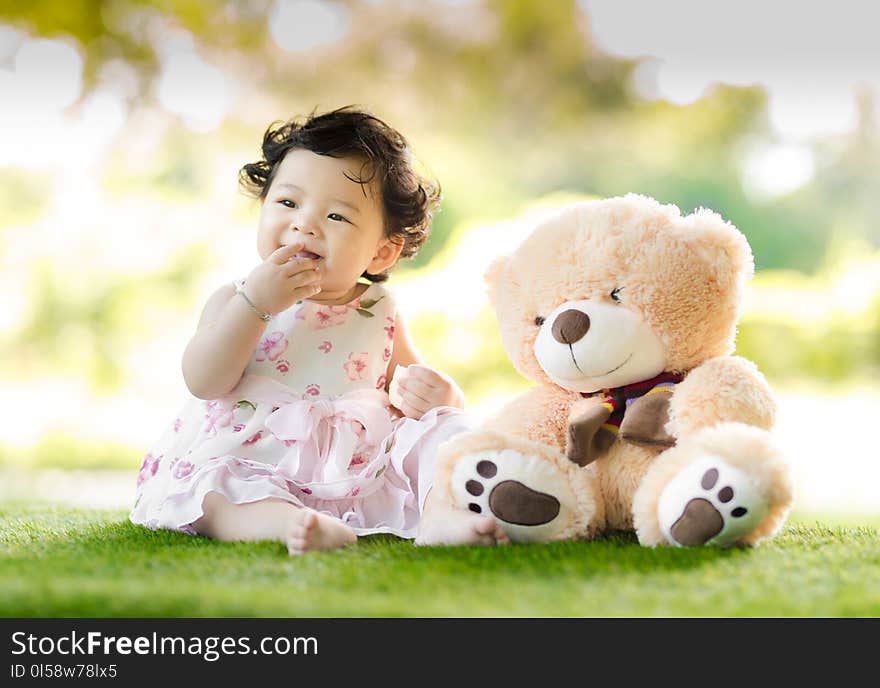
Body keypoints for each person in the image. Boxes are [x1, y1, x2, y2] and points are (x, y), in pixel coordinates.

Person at [129, 106, 509, 553]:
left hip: (354, 465)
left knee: (444, 433)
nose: (304, 224)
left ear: (382, 254)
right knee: (213, 491)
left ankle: (442, 518)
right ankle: (292, 523)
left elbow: (408, 392)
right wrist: (257, 305)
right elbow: (204, 381)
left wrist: (440, 398)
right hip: (256, 459)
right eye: (288, 203)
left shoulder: (379, 309)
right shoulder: (237, 299)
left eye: (337, 217)